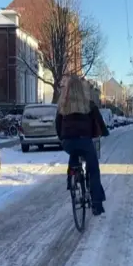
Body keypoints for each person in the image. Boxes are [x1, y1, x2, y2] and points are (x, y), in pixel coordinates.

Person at [55, 76, 109, 216]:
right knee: (93, 169)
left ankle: (71, 179)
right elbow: (99, 121)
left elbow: (57, 124)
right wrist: (104, 132)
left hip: (68, 142)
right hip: (85, 141)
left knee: (74, 152)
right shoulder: (88, 104)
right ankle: (96, 204)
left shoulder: (62, 104)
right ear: (81, 89)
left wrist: (62, 138)